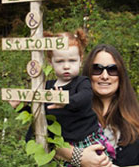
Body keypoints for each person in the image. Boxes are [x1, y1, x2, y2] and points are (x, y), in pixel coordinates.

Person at [56, 44, 139, 167]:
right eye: (97, 69)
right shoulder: (70, 107)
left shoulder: (134, 117)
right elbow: (40, 140)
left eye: (112, 69)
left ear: (120, 75)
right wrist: (77, 157)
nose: (105, 76)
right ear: (88, 74)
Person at [45, 31, 115, 166]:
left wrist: (66, 101)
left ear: (80, 60)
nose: (66, 66)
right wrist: (21, 107)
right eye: (60, 61)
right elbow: (38, 111)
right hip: (66, 145)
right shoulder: (47, 87)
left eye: (72, 60)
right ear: (51, 62)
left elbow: (84, 97)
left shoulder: (82, 82)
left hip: (87, 139)